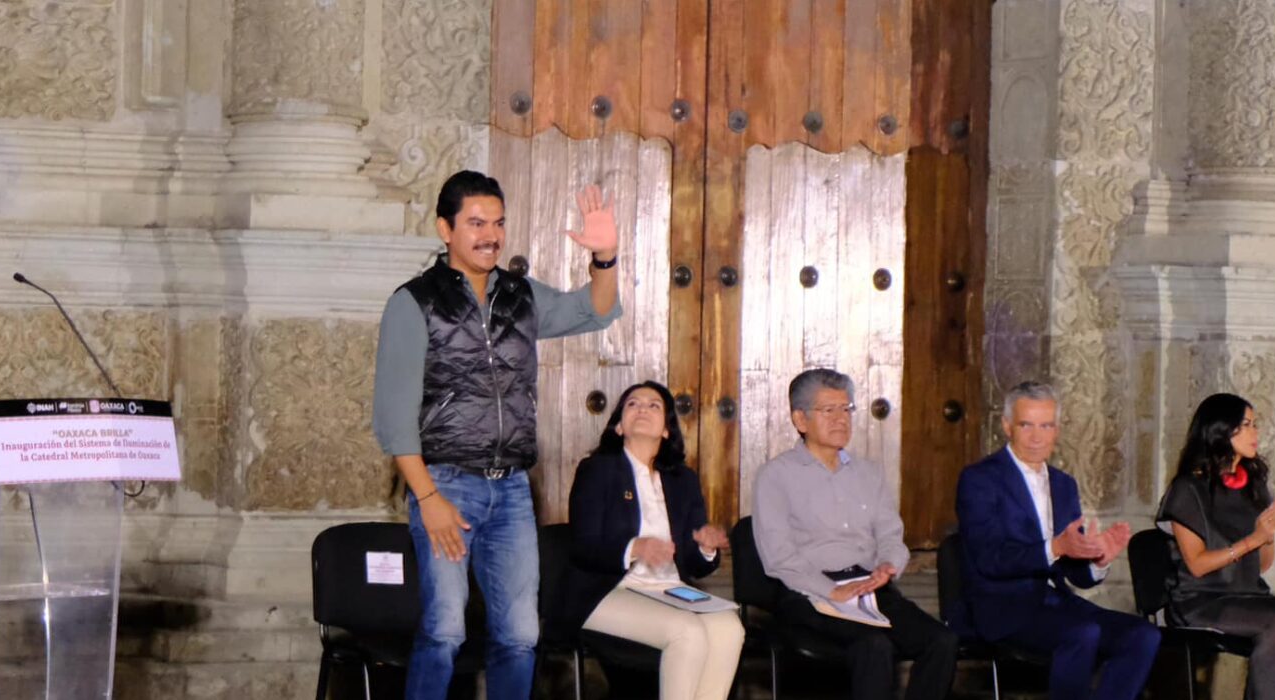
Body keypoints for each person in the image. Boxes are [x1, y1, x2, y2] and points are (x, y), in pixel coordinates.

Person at [371, 170, 621, 700]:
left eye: (499, 222)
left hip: (510, 490)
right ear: (445, 228)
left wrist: (604, 259)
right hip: (443, 482)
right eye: (476, 223)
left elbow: (594, 311)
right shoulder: (413, 302)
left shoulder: (520, 295)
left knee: (520, 634)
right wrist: (428, 498)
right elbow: (394, 417)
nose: (491, 235)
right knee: (445, 629)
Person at [752, 369, 958, 700]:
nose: (841, 419)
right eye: (828, 410)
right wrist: (830, 590)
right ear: (800, 420)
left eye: (846, 409)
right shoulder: (775, 476)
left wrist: (888, 565)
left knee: (942, 641)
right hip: (810, 593)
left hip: (870, 586)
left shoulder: (868, 473)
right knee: (873, 646)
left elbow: (891, 533)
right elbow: (779, 558)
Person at [951, 381, 1157, 700]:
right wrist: (1056, 547)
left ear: (1057, 430)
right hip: (1001, 607)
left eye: (1046, 425)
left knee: (1142, 634)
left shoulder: (1063, 484)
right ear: (1007, 426)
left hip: (1057, 603)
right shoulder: (979, 479)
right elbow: (991, 558)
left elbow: (1076, 573)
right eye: (1026, 425)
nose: (1037, 437)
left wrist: (1098, 559)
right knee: (1082, 634)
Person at [559, 381, 743, 700]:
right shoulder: (597, 470)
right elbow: (583, 546)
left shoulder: (682, 480)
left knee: (729, 627)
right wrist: (635, 548)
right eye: (633, 404)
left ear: (667, 430)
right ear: (619, 426)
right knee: (687, 632)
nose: (642, 408)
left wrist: (706, 546)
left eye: (653, 405)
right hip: (608, 590)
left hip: (668, 589)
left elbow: (695, 563)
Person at [1155, 393, 1275, 700]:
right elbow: (1197, 564)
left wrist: (1269, 533)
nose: (1255, 433)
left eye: (1255, 424)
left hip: (1246, 593)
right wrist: (1253, 539)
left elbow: (1261, 565)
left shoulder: (1253, 485)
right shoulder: (1187, 489)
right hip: (1200, 599)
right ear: (1220, 431)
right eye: (1245, 425)